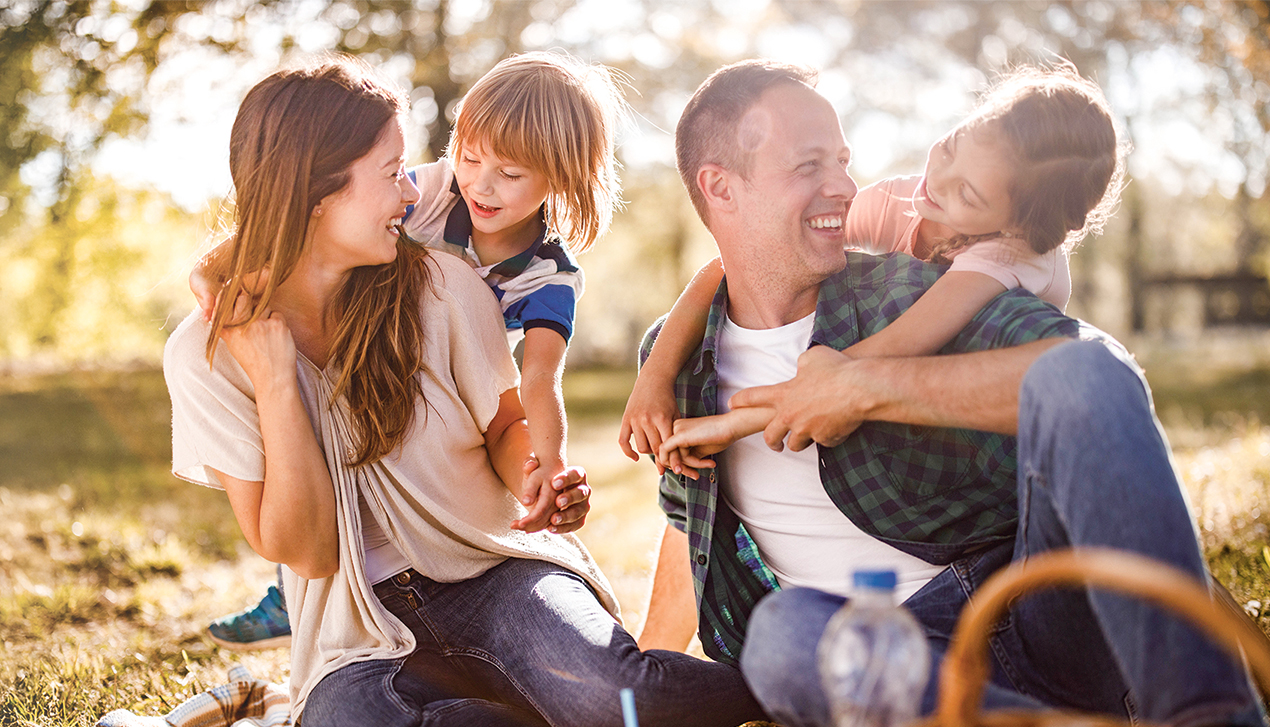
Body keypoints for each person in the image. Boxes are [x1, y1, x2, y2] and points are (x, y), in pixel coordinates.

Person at [633, 58, 1263, 727]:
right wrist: (636, 681)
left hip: (1031, 619)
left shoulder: (913, 289)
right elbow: (689, 525)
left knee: (1080, 378)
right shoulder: (680, 362)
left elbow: (1090, 376)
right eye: (810, 165)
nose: (846, 186)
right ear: (720, 189)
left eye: (843, 161)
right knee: (779, 637)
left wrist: (865, 386)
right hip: (885, 663)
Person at [164, 56, 763, 726]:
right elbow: (308, 550)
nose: (416, 195)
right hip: (354, 642)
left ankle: (800, 682)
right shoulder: (204, 355)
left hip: (496, 574)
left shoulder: (446, 287)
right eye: (393, 174)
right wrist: (276, 377)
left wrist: (537, 473)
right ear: (318, 191)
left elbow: (508, 422)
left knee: (624, 698)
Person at [196, 51, 625, 650]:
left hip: (442, 381)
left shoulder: (546, 277)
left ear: (563, 176)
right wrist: (215, 263)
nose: (479, 183)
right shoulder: (432, 190)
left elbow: (539, 380)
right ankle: (287, 593)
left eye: (510, 174)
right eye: (470, 156)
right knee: (317, 435)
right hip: (362, 340)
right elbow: (311, 207)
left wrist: (548, 465)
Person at [620, 62, 1124, 471]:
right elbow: (731, 263)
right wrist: (654, 375)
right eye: (950, 148)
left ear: (1012, 223)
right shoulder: (902, 201)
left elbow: (897, 348)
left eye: (967, 194)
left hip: (1045, 443)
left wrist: (736, 422)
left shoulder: (1003, 257)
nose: (937, 183)